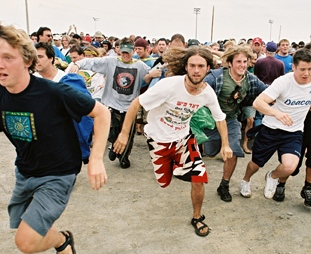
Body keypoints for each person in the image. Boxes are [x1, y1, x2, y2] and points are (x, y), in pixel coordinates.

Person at [0, 19, 110, 254]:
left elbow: (101, 113)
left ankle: (63, 243)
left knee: (26, 240)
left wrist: (97, 159)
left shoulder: (56, 92)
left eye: (8, 57)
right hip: (25, 171)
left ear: (26, 60)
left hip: (59, 173)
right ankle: (58, 237)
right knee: (29, 224)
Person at [113, 47, 232, 236]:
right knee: (164, 181)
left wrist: (225, 144)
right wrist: (124, 134)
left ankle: (197, 217)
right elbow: (136, 103)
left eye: (201, 66)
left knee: (198, 177)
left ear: (208, 68)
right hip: (158, 140)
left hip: (183, 139)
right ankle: (175, 167)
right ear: (186, 67)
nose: (196, 70)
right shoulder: (169, 86)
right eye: (192, 65)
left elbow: (219, 118)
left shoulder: (207, 92)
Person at [240, 49, 311, 201]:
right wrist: (276, 113)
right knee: (256, 164)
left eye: (310, 69)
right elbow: (257, 103)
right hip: (271, 129)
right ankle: (245, 180)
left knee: (290, 167)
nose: (306, 73)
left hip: (294, 132)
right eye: (302, 69)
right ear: (293, 67)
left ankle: (272, 176)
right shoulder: (283, 82)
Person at [69, 37, 161, 168]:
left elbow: (146, 77)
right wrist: (77, 64)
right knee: (112, 132)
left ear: (133, 51)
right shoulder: (111, 61)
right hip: (112, 104)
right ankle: (113, 146)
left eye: (128, 52)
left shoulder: (139, 65)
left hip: (130, 107)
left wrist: (153, 74)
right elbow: (93, 62)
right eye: (122, 52)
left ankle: (123, 158)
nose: (125, 55)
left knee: (128, 135)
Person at [272, 41, 311, 206]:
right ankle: (281, 184)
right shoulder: (291, 77)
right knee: (292, 160)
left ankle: (308, 187)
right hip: (294, 124)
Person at [203, 45, 267, 202]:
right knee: (210, 152)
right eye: (238, 61)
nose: (242, 65)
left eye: (245, 61)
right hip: (211, 121)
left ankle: (224, 185)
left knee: (233, 151)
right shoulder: (215, 78)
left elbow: (268, 91)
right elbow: (197, 90)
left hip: (231, 120)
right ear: (229, 63)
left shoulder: (250, 80)